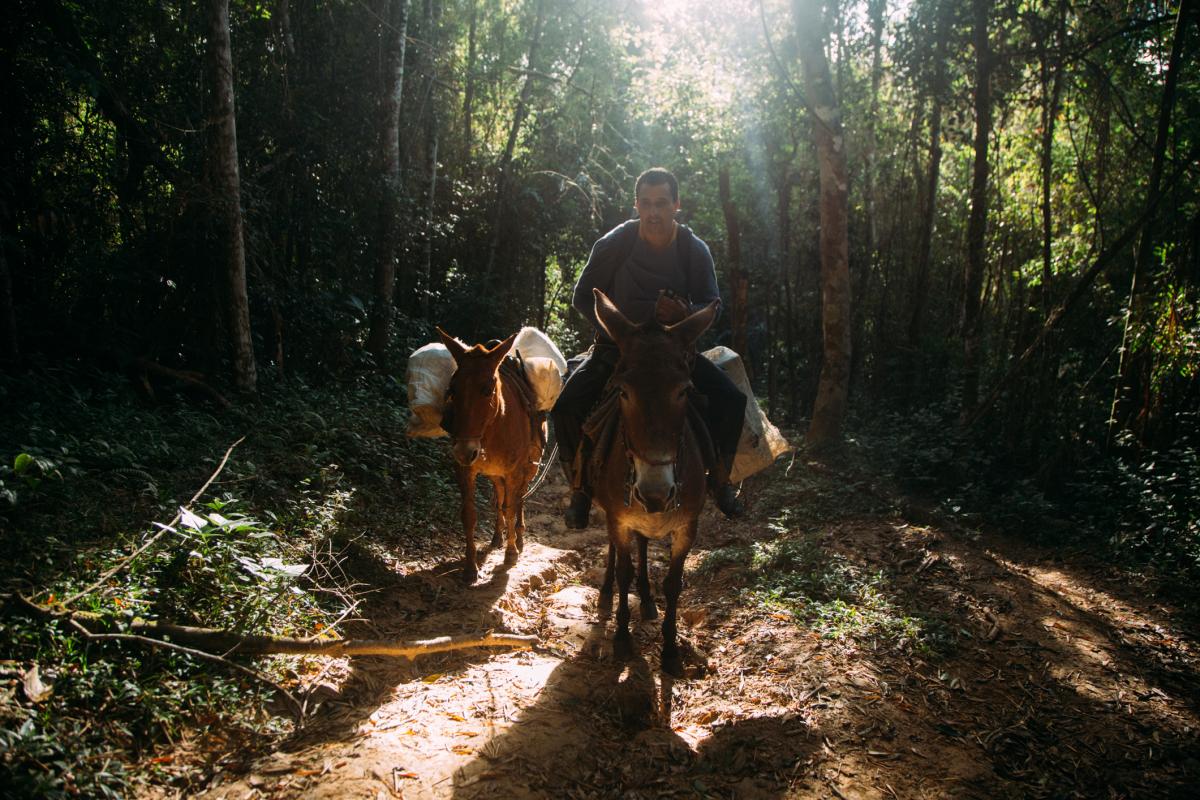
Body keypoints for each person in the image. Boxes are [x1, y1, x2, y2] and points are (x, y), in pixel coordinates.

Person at [551, 167, 747, 528]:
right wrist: (619, 333)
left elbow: (712, 305)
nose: (653, 212)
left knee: (732, 400)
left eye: (661, 203)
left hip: (673, 355)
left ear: (676, 204)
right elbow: (582, 297)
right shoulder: (615, 244)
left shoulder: (693, 250)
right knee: (566, 406)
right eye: (646, 203)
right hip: (619, 351)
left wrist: (684, 314)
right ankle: (580, 489)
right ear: (637, 205)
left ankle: (721, 481)